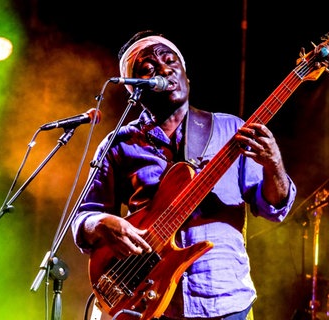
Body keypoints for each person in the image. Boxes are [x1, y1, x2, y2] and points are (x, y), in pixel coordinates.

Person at [71, 30, 297, 320]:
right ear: (135, 90)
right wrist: (102, 223)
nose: (164, 68)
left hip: (225, 300)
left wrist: (273, 165)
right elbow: (83, 217)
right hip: (150, 303)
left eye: (170, 60)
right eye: (148, 67)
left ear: (186, 77)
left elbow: (273, 209)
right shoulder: (119, 144)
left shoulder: (232, 130)